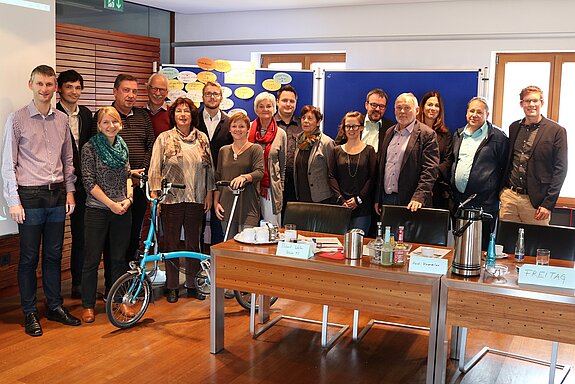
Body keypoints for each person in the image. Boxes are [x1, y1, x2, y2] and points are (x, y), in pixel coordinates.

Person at [1, 65, 80, 336]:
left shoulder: (61, 119)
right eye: (40, 84)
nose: (45, 89)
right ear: (30, 84)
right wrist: (13, 201)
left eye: (49, 84)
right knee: (29, 258)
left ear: (55, 87)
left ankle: (55, 306)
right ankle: (30, 311)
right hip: (30, 197)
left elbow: (68, 160)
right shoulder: (18, 119)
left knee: (54, 255)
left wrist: (70, 191)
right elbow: (8, 164)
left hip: (57, 194)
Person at [149, 97, 215, 303]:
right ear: (173, 115)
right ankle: (172, 286)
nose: (183, 115)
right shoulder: (164, 138)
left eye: (186, 111)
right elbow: (155, 168)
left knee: (194, 243)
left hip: (196, 197)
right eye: (179, 111)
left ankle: (193, 284)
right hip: (170, 198)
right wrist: (155, 196)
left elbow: (210, 169)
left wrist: (210, 193)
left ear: (192, 114)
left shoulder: (202, 138)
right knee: (171, 243)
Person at [92, 74, 155, 290]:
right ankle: (112, 287)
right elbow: (99, 153)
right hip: (108, 194)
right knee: (111, 243)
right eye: (126, 90)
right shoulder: (104, 116)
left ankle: (128, 285)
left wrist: (139, 175)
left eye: (134, 91)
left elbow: (150, 145)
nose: (130, 95)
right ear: (115, 91)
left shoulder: (143, 116)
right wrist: (127, 174)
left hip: (136, 188)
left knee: (132, 236)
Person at [81, 106, 133, 323]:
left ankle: (119, 299)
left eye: (115, 122)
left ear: (120, 123)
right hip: (97, 210)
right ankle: (88, 305)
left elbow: (129, 175)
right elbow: (88, 182)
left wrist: (129, 198)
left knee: (119, 259)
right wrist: (111, 204)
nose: (111, 126)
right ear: (99, 125)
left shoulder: (122, 146)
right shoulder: (89, 148)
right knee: (92, 260)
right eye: (106, 122)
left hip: (122, 209)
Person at [500, 85, 568, 225]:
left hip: (536, 203)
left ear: (542, 103)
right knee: (506, 243)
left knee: (536, 244)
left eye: (535, 101)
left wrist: (548, 203)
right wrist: (502, 192)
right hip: (510, 198)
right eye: (527, 101)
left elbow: (560, 169)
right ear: (521, 104)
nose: (531, 104)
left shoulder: (556, 131)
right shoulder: (513, 127)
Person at [451, 97, 509, 250]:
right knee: (461, 248)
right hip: (460, 202)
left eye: (479, 112)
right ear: (466, 113)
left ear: (487, 115)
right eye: (471, 111)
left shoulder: (498, 138)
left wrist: (494, 193)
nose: (474, 115)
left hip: (485, 204)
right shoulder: (458, 135)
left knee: (481, 249)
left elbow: (505, 169)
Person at [56, 69, 93, 299]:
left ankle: (78, 283)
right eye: (69, 87)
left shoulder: (87, 114)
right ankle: (54, 290)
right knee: (56, 238)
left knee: (82, 235)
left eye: (78, 87)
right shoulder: (53, 113)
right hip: (58, 184)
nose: (74, 91)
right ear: (59, 89)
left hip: (82, 185)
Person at [374, 93, 440, 214]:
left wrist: (419, 197)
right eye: (399, 108)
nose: (402, 111)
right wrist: (378, 197)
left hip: (412, 202)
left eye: (407, 108)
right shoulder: (389, 132)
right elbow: (383, 167)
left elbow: (430, 170)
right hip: (387, 199)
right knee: (387, 233)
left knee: (407, 234)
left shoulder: (427, 135)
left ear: (417, 110)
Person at [214, 112, 264, 238]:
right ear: (229, 129)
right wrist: (216, 202)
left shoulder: (255, 149)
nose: (238, 129)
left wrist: (244, 177)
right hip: (226, 204)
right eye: (234, 126)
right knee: (229, 244)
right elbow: (218, 178)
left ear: (248, 129)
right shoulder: (223, 151)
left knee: (247, 243)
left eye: (241, 126)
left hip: (248, 204)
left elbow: (260, 172)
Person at [329, 111, 377, 233]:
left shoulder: (369, 150)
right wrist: (341, 199)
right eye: (348, 126)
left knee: (357, 244)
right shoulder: (336, 150)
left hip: (362, 208)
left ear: (361, 127)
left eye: (354, 126)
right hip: (341, 206)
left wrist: (358, 199)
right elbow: (331, 176)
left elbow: (372, 178)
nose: (351, 129)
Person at [197, 81, 232, 246]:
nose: (212, 97)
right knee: (197, 223)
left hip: (221, 181)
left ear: (221, 97)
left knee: (219, 222)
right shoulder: (193, 120)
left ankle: (217, 261)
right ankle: (196, 262)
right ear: (203, 97)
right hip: (197, 179)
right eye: (208, 94)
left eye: (215, 94)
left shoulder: (230, 123)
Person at [248, 92, 286, 226]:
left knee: (272, 227)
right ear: (256, 109)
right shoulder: (247, 129)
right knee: (250, 227)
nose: (265, 109)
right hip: (250, 186)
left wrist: (279, 187)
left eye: (269, 106)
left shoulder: (281, 134)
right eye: (261, 106)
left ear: (274, 109)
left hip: (270, 188)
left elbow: (282, 165)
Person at [416, 91, 454, 210]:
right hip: (414, 187)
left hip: (437, 189)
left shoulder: (445, 134)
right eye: (430, 104)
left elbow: (447, 161)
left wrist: (430, 177)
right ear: (422, 107)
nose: (433, 108)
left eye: (436, 105)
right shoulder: (413, 130)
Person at [294, 105, 335, 204]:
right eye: (303, 118)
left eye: (310, 118)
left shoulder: (326, 142)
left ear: (318, 122)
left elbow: (333, 172)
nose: (305, 121)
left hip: (321, 198)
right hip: (302, 196)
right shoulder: (299, 140)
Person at [275, 85, 302, 215]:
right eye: (284, 100)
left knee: (293, 221)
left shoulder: (303, 125)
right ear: (277, 101)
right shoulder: (268, 124)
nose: (288, 104)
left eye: (292, 101)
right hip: (272, 182)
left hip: (297, 183)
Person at [146, 72, 171, 137]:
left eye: (162, 90)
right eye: (154, 89)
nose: (157, 93)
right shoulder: (139, 114)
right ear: (148, 89)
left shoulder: (172, 114)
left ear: (167, 93)